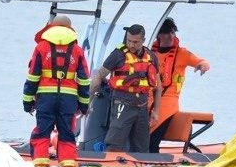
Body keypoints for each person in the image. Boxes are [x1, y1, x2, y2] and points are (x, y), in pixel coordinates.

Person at [22, 15, 91, 167]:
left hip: (45, 98)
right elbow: (83, 80)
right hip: (68, 99)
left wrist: (28, 101)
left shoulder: (41, 47)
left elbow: (32, 76)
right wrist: (83, 105)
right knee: (67, 133)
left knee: (42, 132)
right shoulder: (77, 50)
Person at [90, 24, 162, 153]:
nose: (131, 45)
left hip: (142, 106)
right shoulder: (118, 55)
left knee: (142, 146)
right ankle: (109, 166)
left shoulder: (151, 57)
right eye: (129, 41)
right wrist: (87, 102)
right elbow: (99, 76)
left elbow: (158, 87)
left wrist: (156, 111)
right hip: (122, 103)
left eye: (135, 42)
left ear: (143, 40)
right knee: (115, 142)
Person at [148, 17, 210, 152]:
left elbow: (202, 61)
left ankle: (151, 162)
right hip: (149, 101)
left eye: (172, 32)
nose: (170, 36)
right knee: (142, 138)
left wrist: (202, 66)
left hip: (169, 104)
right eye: (166, 33)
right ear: (159, 35)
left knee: (152, 139)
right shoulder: (150, 54)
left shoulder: (182, 53)